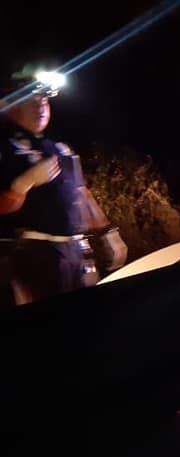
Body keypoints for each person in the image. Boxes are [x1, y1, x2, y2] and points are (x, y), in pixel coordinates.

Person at [0, 66, 115, 305]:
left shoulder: (60, 148)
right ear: (11, 104)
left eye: (44, 99)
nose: (41, 106)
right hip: (37, 255)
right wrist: (22, 185)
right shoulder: (5, 147)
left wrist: (108, 233)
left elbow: (82, 194)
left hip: (77, 253)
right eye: (32, 99)